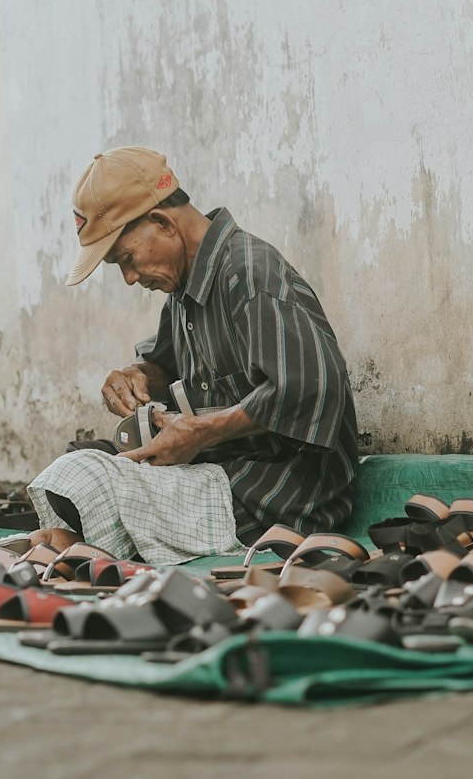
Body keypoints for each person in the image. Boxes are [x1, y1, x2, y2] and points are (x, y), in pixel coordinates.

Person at [25, 146, 359, 565]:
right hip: (221, 475)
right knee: (85, 459)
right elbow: (164, 365)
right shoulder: (184, 291)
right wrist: (134, 376)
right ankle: (72, 538)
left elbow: (312, 387)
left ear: (162, 223)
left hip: (285, 495)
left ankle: (69, 541)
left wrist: (204, 431)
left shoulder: (250, 274)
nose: (129, 278)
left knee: (93, 481)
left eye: (126, 259)